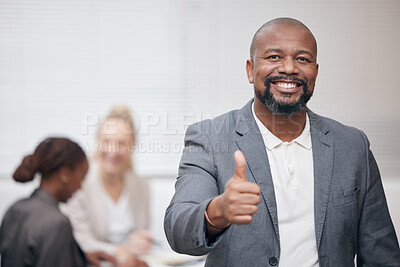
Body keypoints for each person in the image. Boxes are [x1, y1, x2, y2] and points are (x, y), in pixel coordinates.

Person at [164, 18, 400, 266]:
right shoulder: (211, 138)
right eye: (274, 57)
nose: (289, 68)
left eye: (302, 59)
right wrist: (217, 212)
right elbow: (178, 229)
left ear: (315, 73)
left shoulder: (353, 145)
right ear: (250, 69)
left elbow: (381, 254)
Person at [0, 137, 117, 267]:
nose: (80, 187)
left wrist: (80, 257)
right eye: (81, 178)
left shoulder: (15, 209)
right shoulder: (57, 224)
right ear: (65, 175)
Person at [65, 106, 152, 267]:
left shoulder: (141, 185)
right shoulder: (79, 185)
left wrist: (143, 241)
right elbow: (82, 241)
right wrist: (120, 251)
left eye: (121, 144)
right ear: (97, 140)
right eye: (107, 142)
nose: (113, 151)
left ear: (132, 145)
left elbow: (142, 232)